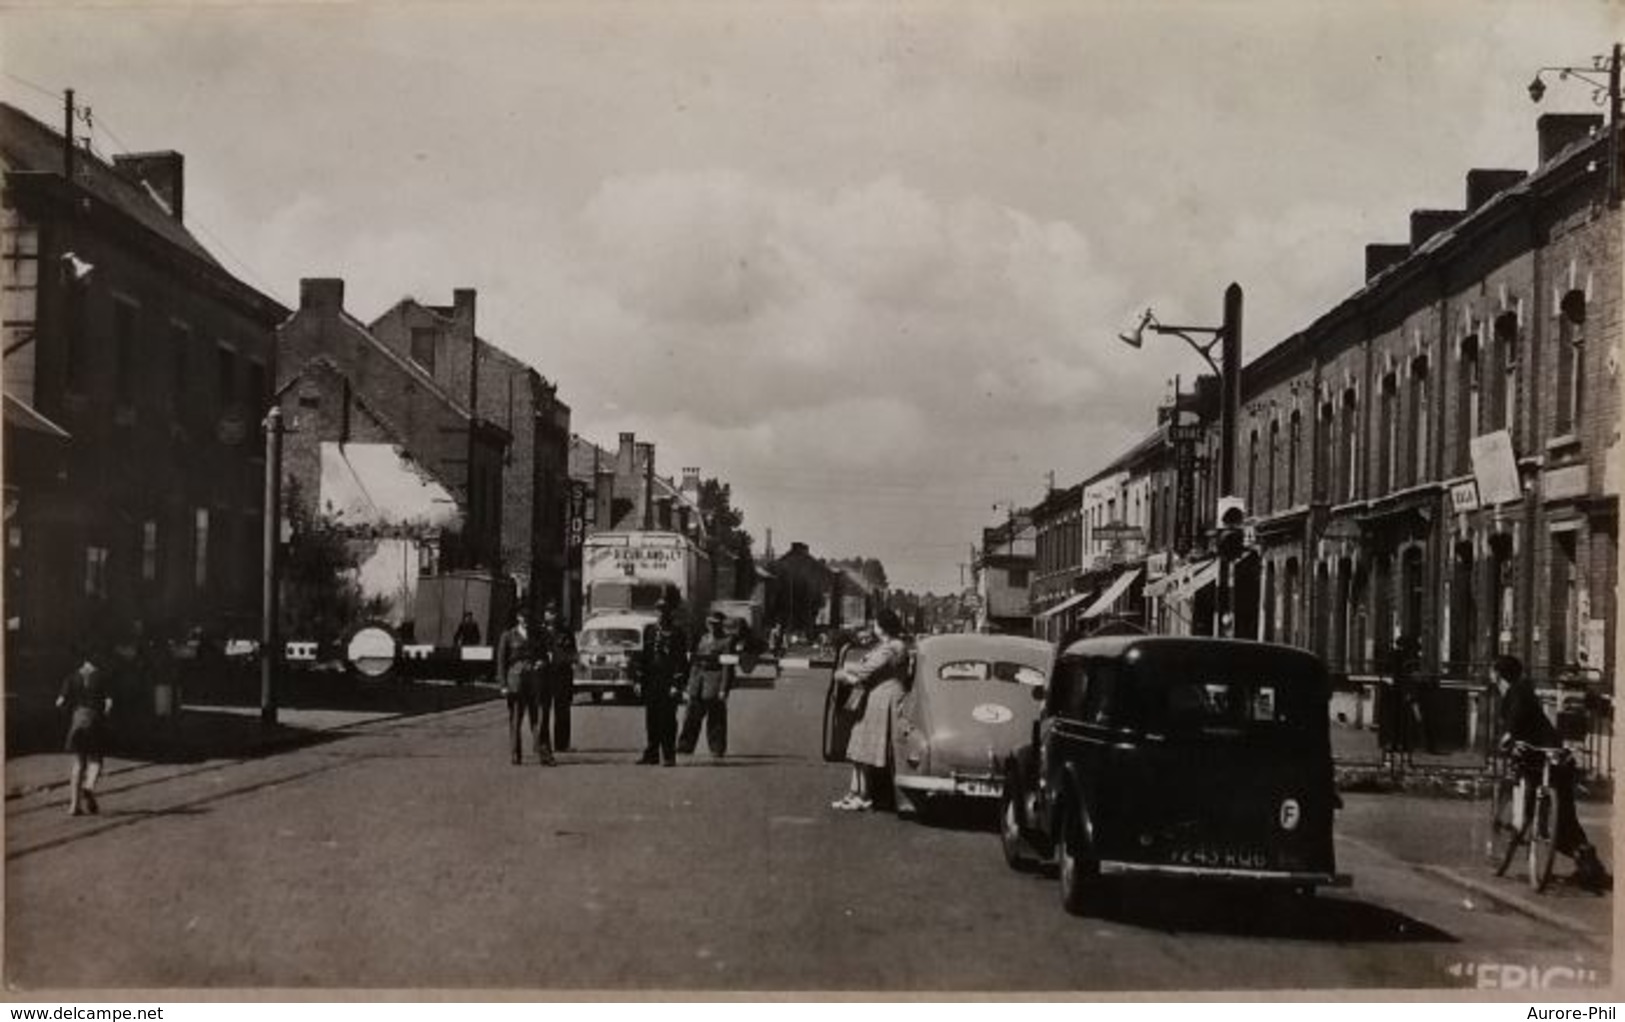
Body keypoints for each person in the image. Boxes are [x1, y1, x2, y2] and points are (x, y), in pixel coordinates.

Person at [1493, 654, 1610, 890]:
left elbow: (1516, 717)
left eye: (1492, 671)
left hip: (1540, 756)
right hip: (1549, 756)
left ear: (1498, 674)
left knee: (1549, 817)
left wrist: (1508, 736)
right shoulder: (1518, 691)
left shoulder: (1518, 691)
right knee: (1563, 815)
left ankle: (1583, 861)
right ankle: (1586, 860)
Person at [832, 608, 909, 812]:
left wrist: (845, 670)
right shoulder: (890, 645)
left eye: (875, 624)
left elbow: (866, 668)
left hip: (883, 700)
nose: (873, 628)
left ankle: (863, 794)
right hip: (878, 698)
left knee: (865, 747)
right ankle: (855, 792)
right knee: (859, 745)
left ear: (881, 627)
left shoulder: (892, 647)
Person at [57, 644, 113, 816]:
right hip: (95, 719)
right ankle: (88, 787)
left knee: (78, 762)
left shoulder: (72, 677)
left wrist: (70, 714)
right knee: (96, 759)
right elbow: (109, 703)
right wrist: (105, 715)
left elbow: (59, 702)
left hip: (78, 719)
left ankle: (74, 806)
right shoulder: (103, 677)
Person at [635, 591, 689, 766]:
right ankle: (652, 753)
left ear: (670, 612)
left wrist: (677, 684)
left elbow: (681, 661)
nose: (661, 613)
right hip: (652, 679)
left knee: (667, 719)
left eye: (664, 610)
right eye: (658, 610)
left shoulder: (677, 632)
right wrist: (638, 679)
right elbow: (644, 656)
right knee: (651, 718)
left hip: (668, 680)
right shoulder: (649, 630)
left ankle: (668, 754)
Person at [495, 612, 549, 765]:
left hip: (533, 682)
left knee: (536, 719)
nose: (526, 621)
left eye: (528, 618)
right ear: (518, 618)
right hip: (515, 683)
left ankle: (541, 753)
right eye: (523, 618)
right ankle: (515, 754)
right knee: (516, 720)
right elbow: (501, 662)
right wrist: (503, 685)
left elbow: (543, 655)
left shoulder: (536, 635)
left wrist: (540, 662)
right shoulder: (508, 636)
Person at [679, 611, 734, 758]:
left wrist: (723, 689)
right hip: (698, 682)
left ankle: (717, 748)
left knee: (716, 718)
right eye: (710, 623)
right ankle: (685, 746)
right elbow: (695, 662)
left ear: (721, 624)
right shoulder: (703, 639)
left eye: (716, 624)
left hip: (714, 682)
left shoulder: (727, 641)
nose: (712, 627)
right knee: (691, 716)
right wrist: (690, 683)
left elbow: (727, 667)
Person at [535, 604, 577, 753]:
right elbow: (534, 652)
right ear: (545, 615)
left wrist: (573, 660)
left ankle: (562, 744)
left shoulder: (566, 632)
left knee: (563, 711)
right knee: (543, 711)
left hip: (562, 675)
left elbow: (573, 652)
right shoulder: (539, 632)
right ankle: (541, 743)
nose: (551, 616)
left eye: (554, 613)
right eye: (549, 612)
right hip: (544, 675)